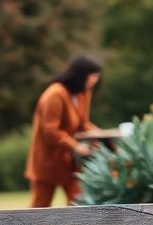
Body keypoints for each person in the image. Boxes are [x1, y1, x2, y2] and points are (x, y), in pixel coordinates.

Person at [24, 55, 102, 208]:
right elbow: (50, 132)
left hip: (71, 163)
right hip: (47, 162)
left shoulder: (83, 93)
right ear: (81, 75)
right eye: (92, 75)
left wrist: (101, 134)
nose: (95, 79)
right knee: (40, 208)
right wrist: (75, 146)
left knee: (79, 205)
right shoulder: (54, 95)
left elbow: (82, 123)